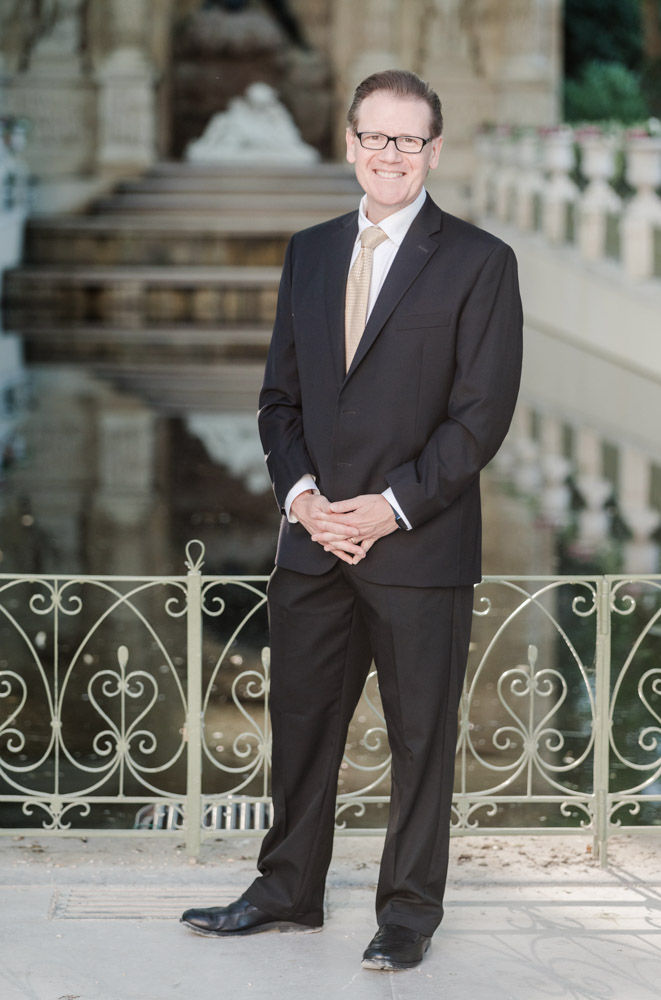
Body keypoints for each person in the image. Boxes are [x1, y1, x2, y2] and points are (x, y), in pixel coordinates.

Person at [181, 68, 522, 971]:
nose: (388, 154)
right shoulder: (310, 251)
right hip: (312, 543)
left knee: (419, 742)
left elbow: (479, 416)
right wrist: (303, 500)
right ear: (348, 143)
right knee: (298, 729)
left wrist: (390, 505)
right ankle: (286, 889)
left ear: (433, 152)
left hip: (419, 546)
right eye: (373, 136)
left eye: (407, 140)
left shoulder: (480, 262)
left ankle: (406, 916)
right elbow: (276, 401)